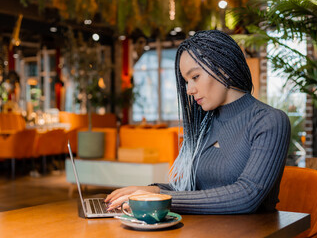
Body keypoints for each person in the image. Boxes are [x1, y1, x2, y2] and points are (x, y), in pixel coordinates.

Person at [105, 30, 291, 214]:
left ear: (224, 70)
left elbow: (247, 195)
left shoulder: (269, 121)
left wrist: (161, 197)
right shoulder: (205, 123)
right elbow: (196, 191)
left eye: (195, 77)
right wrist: (152, 190)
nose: (189, 90)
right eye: (186, 81)